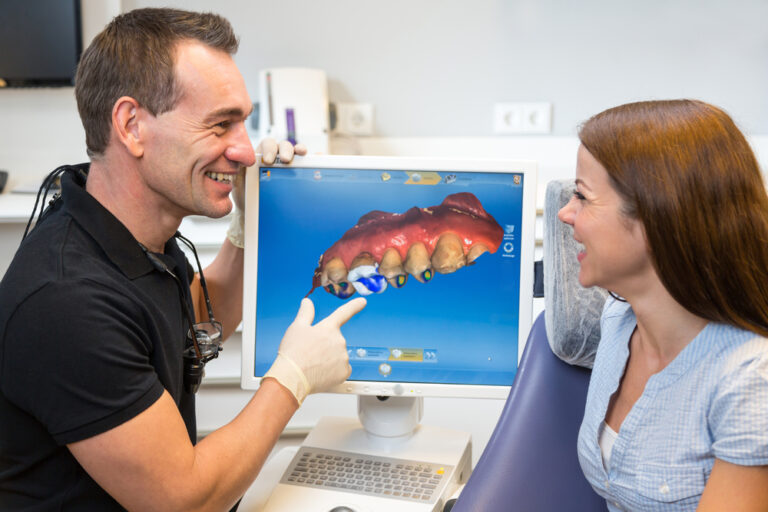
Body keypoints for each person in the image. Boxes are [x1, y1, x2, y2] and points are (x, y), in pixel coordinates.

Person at [0, 8, 365, 511]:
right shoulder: (66, 300)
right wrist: (292, 379)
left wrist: (246, 222)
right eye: (220, 125)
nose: (245, 151)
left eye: (244, 123)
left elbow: (198, 318)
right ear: (131, 126)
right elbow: (185, 501)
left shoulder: (129, 235)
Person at [558, 99, 768, 511]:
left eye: (581, 196)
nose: (565, 213)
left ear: (657, 216)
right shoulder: (618, 320)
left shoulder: (748, 380)